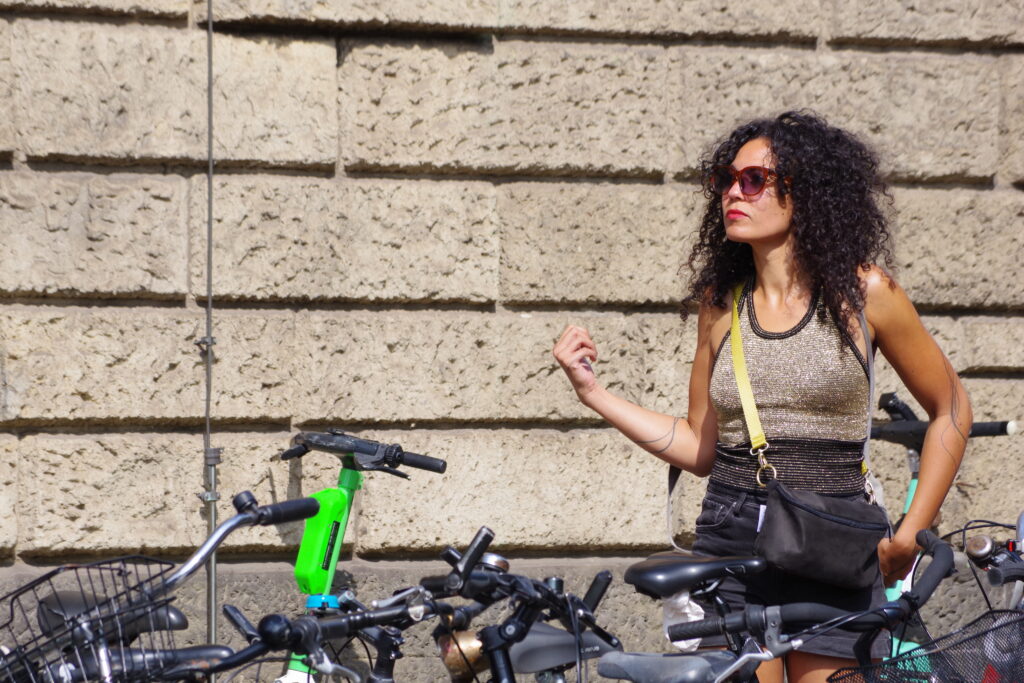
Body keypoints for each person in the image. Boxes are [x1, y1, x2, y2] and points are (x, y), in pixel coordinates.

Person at [552, 110, 972, 683]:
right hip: (731, 535)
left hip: (835, 535)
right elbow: (700, 446)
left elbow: (951, 409)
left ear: (804, 193)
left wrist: (909, 532)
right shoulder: (720, 304)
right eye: (725, 180)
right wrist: (594, 394)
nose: (732, 192)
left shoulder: (866, 294)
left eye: (752, 180)